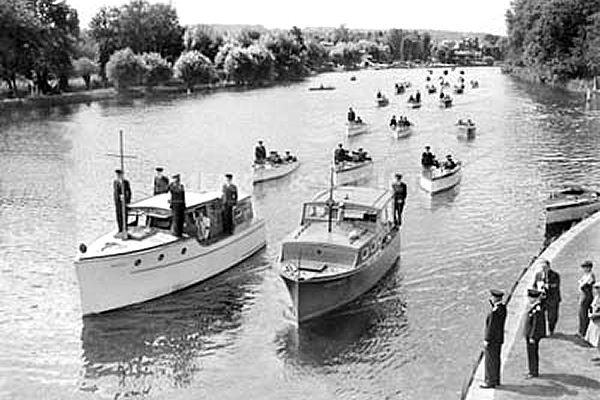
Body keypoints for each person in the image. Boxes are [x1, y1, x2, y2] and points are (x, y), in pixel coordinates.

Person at [481, 289, 507, 389]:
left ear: (495, 298)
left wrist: (487, 339)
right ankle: (496, 379)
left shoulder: (495, 312)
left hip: (492, 340)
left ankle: (489, 381)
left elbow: (491, 327)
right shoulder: (502, 308)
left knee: (489, 361)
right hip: (498, 339)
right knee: (496, 360)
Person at [532, 259, 561, 335]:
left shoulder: (555, 275)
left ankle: (551, 329)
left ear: (548, 267)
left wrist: (548, 286)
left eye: (545, 267)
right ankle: (542, 332)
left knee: (552, 316)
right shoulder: (538, 275)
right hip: (542, 298)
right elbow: (534, 285)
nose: (543, 269)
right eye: (542, 268)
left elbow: (556, 285)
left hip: (552, 298)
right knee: (540, 314)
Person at [524, 288, 546, 378]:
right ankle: (532, 370)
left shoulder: (537, 308)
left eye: (530, 297)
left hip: (533, 335)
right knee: (531, 353)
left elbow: (536, 324)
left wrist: (532, 336)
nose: (529, 299)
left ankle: (533, 371)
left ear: (534, 298)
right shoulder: (535, 306)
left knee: (532, 353)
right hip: (530, 334)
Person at [578, 261, 596, 338]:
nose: (584, 269)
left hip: (587, 296)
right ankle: (582, 331)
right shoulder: (586, 275)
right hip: (583, 295)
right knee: (581, 314)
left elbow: (583, 284)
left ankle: (584, 332)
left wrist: (581, 283)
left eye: (585, 267)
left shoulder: (590, 275)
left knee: (584, 314)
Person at [113, 169, 132, 236]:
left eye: (120, 175)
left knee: (124, 215)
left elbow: (129, 192)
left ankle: (125, 229)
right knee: (118, 215)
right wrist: (117, 199)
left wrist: (126, 199)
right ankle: (120, 229)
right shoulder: (115, 182)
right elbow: (115, 192)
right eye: (118, 175)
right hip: (118, 203)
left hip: (124, 202)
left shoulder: (126, 182)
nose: (118, 176)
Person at [585, 283, 600, 349]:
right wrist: (590, 314)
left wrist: (595, 315)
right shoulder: (596, 297)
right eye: (596, 288)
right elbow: (591, 307)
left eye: (598, 288)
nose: (597, 290)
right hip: (594, 321)